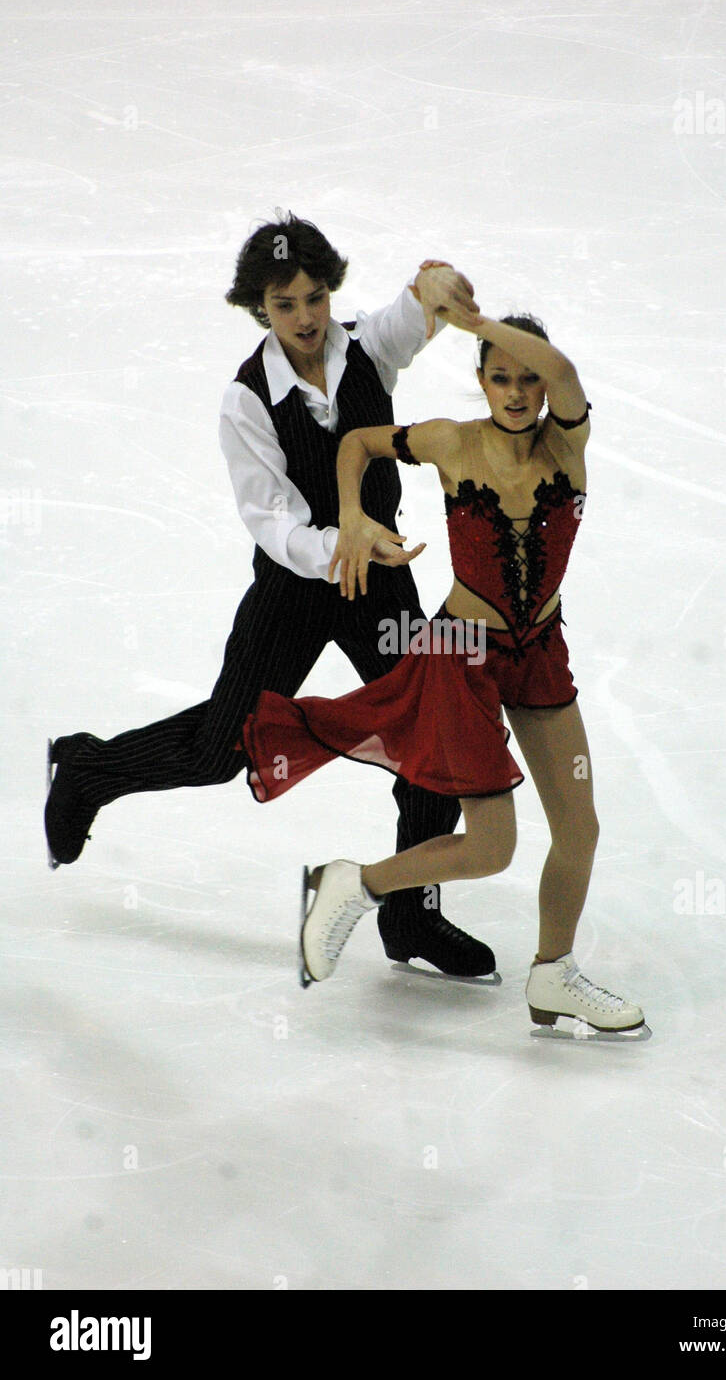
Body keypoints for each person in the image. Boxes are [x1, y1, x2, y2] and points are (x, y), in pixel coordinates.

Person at [44, 211, 497, 979]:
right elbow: (273, 522)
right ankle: (90, 770)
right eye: (285, 305)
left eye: (314, 298)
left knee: (431, 732)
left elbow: (415, 312)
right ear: (260, 307)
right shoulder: (246, 399)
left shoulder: (365, 350)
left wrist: (435, 287)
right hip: (292, 592)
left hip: (378, 585)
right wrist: (344, 546)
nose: (305, 318)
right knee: (223, 749)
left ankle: (412, 914)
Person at [238, 304, 646, 1034]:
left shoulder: (568, 446)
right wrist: (354, 517)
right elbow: (358, 445)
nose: (518, 392)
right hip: (460, 657)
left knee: (578, 828)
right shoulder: (452, 444)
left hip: (539, 653)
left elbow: (566, 373)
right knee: (493, 846)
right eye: (499, 378)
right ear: (481, 382)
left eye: (528, 378)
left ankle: (553, 975)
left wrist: (480, 320)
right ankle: (353, 884)